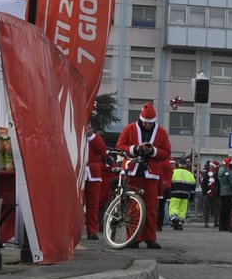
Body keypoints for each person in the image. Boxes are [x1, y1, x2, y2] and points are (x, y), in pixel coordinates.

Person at [115, 102, 171, 249]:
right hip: (133, 172)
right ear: (141, 119)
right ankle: (134, 238)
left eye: (150, 123)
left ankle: (150, 238)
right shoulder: (129, 129)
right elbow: (120, 147)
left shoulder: (162, 133)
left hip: (151, 175)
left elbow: (166, 153)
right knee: (133, 207)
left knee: (151, 208)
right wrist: (136, 149)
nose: (147, 126)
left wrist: (152, 151)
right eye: (145, 123)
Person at [82, 122, 110, 242]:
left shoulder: (95, 137)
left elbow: (102, 149)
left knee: (93, 205)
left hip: (93, 173)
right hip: (79, 171)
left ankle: (92, 231)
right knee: (77, 204)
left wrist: (91, 136)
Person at [167, 158, 196, 231]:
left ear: (178, 165)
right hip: (185, 195)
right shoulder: (190, 174)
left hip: (175, 194)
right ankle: (180, 223)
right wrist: (192, 196)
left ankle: (174, 219)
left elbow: (169, 184)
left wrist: (168, 192)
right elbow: (193, 188)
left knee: (173, 208)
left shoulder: (173, 172)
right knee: (182, 209)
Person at [215, 157, 232, 231]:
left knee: (222, 210)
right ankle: (226, 226)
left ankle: (221, 226)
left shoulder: (220, 170)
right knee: (228, 210)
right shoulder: (229, 171)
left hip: (222, 192)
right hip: (229, 193)